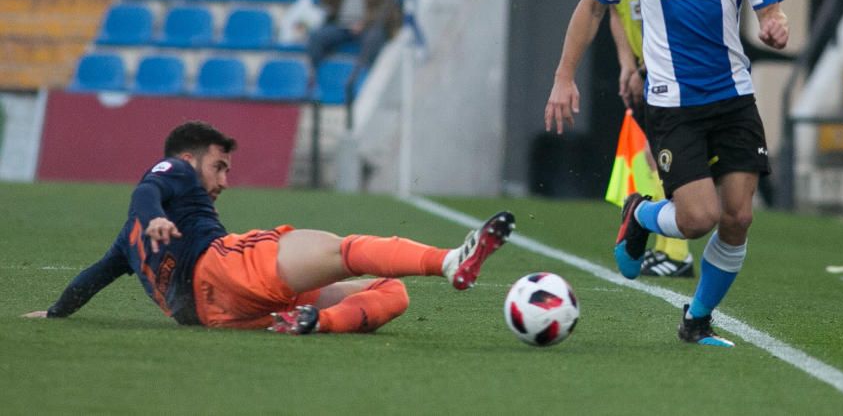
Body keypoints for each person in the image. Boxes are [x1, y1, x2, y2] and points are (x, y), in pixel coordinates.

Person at [545, 0, 788, 347]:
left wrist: (775, 24)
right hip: (673, 104)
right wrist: (564, 77)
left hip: (733, 98)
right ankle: (642, 213)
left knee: (739, 216)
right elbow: (593, 7)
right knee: (700, 218)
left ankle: (696, 319)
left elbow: (770, 5)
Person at [24, 120, 515, 334]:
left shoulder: (126, 243)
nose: (223, 181)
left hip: (220, 315)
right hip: (222, 268)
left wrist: (56, 312)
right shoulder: (171, 172)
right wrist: (153, 214)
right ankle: (451, 261)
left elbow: (94, 275)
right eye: (220, 167)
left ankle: (316, 323)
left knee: (391, 291)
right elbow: (148, 189)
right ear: (189, 158)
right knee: (342, 249)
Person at [592, 0, 694, 279]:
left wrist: (646, 69)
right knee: (657, 157)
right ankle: (670, 249)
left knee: (668, 157)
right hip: (644, 69)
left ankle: (677, 252)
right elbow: (616, 12)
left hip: (670, 68)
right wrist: (625, 65)